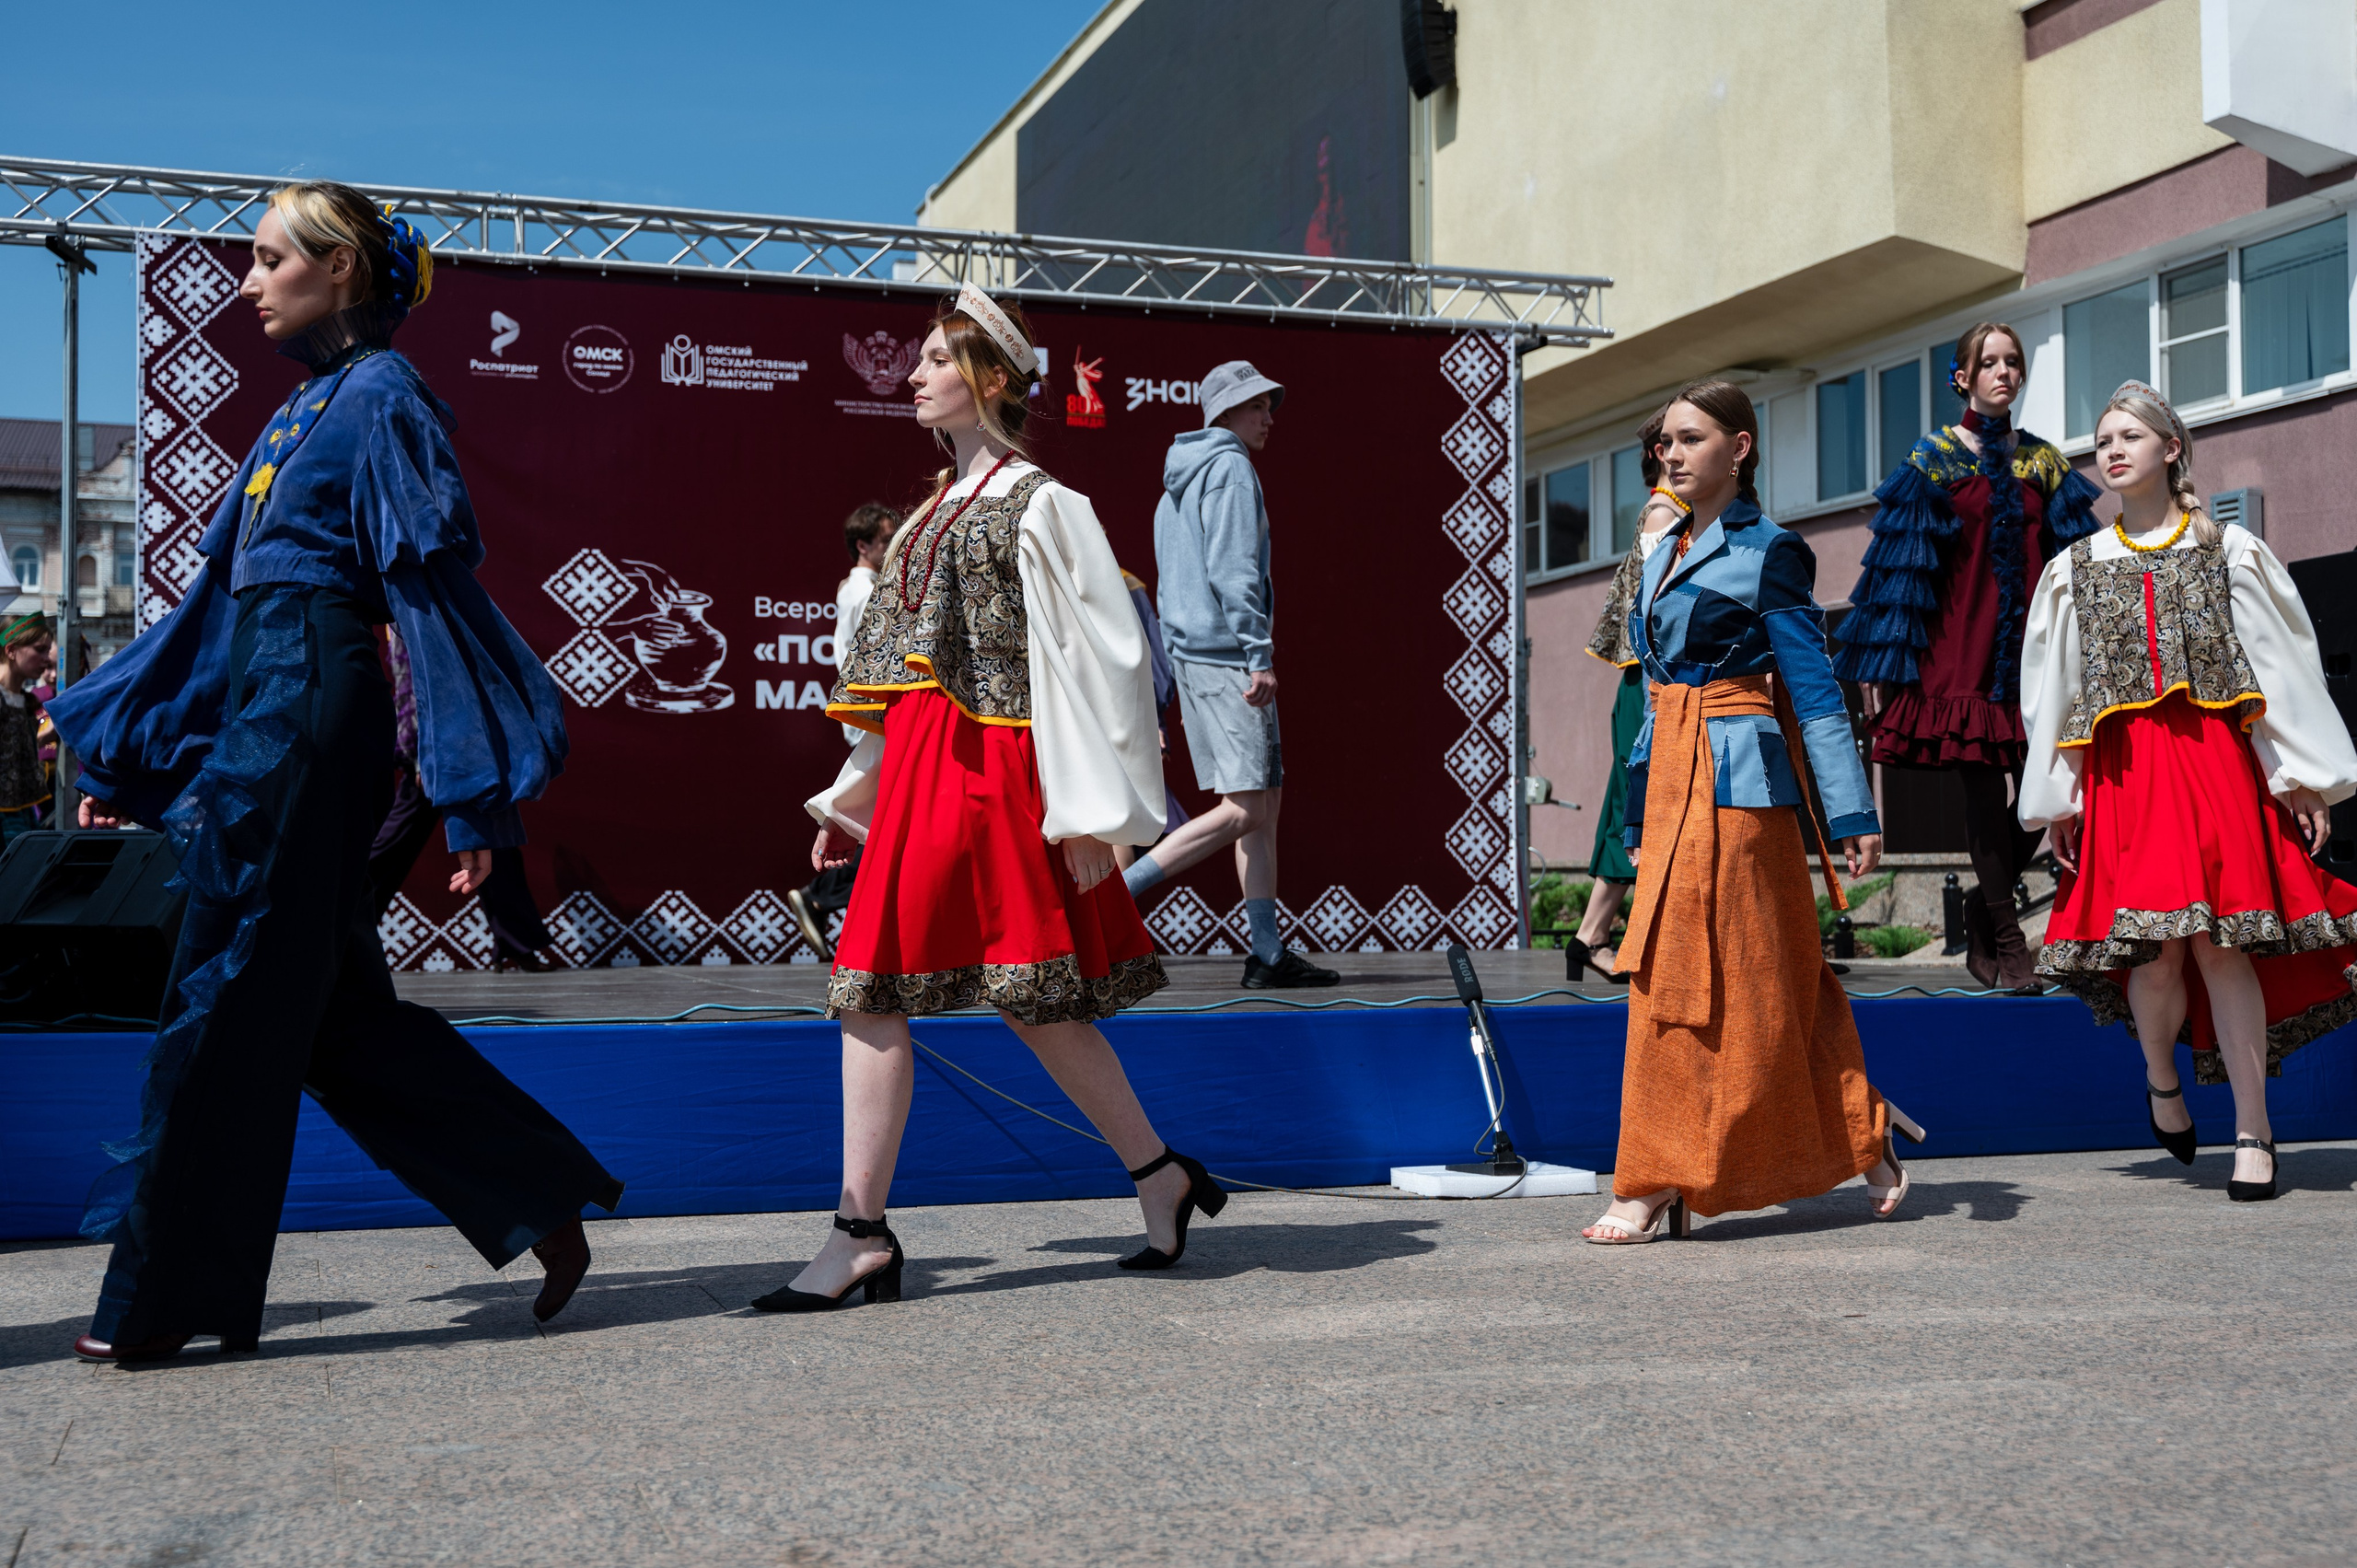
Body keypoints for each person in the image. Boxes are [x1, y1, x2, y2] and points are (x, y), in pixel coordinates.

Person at [45, 181, 622, 1363]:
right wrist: (131, 736)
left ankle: (164, 1299)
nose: (247, 281)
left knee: (231, 985)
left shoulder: (382, 399)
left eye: (268, 258)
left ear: (341, 270)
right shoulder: (300, 410)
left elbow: (428, 598)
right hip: (269, 701)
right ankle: (536, 1192)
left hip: (311, 712)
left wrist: (471, 792)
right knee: (324, 1010)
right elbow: (217, 609)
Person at [753, 284, 1224, 1312]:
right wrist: (855, 801)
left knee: (1025, 998)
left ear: (992, 378)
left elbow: (1103, 663)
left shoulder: (1043, 502)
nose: (913, 374)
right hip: (926, 770)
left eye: (933, 359)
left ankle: (1144, 1178)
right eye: (917, 360)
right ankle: (876, 1226)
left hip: (999, 771)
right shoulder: (927, 512)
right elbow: (900, 681)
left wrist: (1096, 813)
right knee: (881, 989)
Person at [1584, 380, 1925, 1244]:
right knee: (1683, 973)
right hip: (1669, 785)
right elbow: (1647, 682)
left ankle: (1660, 1175)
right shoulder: (1659, 551)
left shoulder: (1774, 550)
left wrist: (1850, 813)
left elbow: (1814, 692)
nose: (1671, 454)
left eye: (1690, 439)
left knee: (1759, 979)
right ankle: (1853, 1128)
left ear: (1739, 448)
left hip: (1741, 792)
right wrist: (1634, 812)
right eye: (1664, 442)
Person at [2020, 381, 2357, 1203]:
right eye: (2102, 438)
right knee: (2158, 948)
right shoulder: (2073, 570)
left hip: (2218, 771)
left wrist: (2303, 776)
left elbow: (2280, 667)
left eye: (2129, 434)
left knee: (2222, 943)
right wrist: (2058, 797)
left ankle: (2253, 1129)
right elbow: (2053, 692)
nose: (2111, 449)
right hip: (2127, 777)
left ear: (2172, 448)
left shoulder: (2230, 549)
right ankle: (2161, 1079)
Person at [1832, 322, 2104, 991]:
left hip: (2037, 656)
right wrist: (1886, 665)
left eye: (2013, 361)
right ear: (1963, 377)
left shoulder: (2045, 464)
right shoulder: (1931, 460)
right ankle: (2011, 941)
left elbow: (2081, 564)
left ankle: (1984, 918)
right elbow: (1899, 572)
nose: (2004, 372)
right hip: (1961, 651)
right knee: (1985, 787)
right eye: (1989, 363)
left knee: (2049, 791)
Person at [1122, 360, 1336, 987]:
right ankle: (1109, 899)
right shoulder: (1232, 468)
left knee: (1262, 805)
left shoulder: (1175, 483)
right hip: (1226, 656)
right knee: (1246, 807)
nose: (1268, 417)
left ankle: (1266, 953)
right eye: (1255, 406)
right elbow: (1236, 569)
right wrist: (1257, 653)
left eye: (1269, 405)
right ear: (1223, 414)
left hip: (1196, 655)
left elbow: (1174, 578)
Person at [363, 626, 560, 971]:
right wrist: (421, 753)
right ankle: (343, 928)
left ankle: (516, 945)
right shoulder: (409, 615)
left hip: (465, 748)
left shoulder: (427, 609)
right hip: (439, 753)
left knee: (495, 846)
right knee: (389, 851)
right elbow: (414, 689)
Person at [1568, 412, 1685, 981]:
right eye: (1683, 438)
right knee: (1634, 803)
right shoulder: (1666, 512)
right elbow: (1660, 606)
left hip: (1657, 679)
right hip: (1653, 680)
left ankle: (1591, 936)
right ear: (1664, 452)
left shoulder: (1676, 510)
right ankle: (1596, 938)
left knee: (1631, 799)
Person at [787, 502, 903, 959]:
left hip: (875, 716)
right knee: (891, 828)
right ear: (863, 545)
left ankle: (823, 896)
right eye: (885, 537)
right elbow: (872, 656)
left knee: (891, 827)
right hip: (876, 717)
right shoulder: (864, 592)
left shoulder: (865, 588)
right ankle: (823, 895)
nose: (893, 543)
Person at [1, 611, 56, 845]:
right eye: (39, 649)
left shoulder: (26, 703)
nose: (45, 658)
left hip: (23, 815)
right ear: (11, 650)